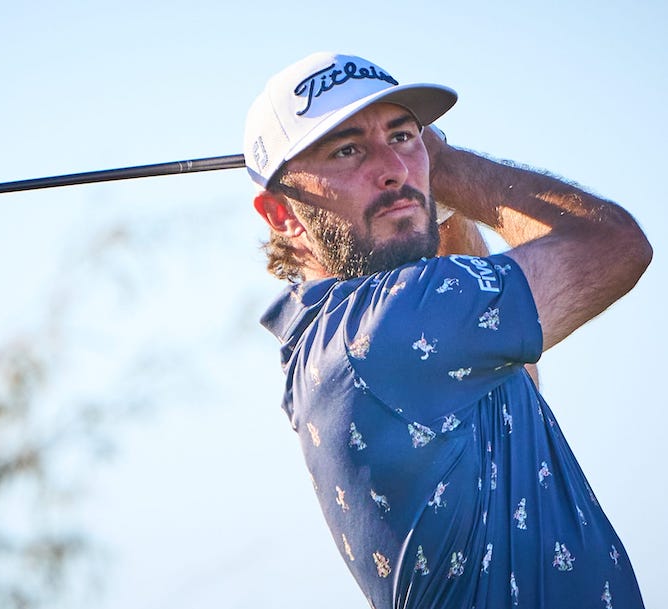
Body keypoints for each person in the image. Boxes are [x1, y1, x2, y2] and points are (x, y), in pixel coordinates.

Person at [244, 52, 651, 609]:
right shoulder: (391, 325)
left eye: (403, 135)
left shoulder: (343, 337)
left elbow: (519, 371)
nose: (393, 167)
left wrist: (422, 200)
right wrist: (448, 165)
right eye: (347, 149)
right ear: (283, 216)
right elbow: (613, 247)